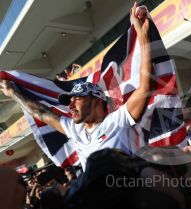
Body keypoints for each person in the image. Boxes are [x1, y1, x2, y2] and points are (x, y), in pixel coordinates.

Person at [0, 2, 153, 170]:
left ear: (96, 100)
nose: (70, 105)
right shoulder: (74, 129)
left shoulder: (118, 120)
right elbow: (41, 112)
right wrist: (13, 94)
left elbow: (145, 87)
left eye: (76, 98)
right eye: (69, 100)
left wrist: (143, 35)